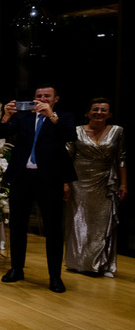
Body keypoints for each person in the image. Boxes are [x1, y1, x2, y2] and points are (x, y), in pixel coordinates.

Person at [0, 85, 78, 293]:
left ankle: (55, 277)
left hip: (49, 179)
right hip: (22, 176)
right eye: (38, 96)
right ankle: (16, 269)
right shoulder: (24, 117)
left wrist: (52, 117)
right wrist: (5, 116)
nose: (42, 99)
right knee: (17, 225)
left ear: (55, 99)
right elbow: (0, 133)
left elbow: (70, 136)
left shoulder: (64, 117)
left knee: (53, 229)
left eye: (46, 96)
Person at [65, 97, 126, 276]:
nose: (99, 112)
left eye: (103, 110)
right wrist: (65, 182)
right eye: (95, 109)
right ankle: (78, 262)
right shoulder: (75, 131)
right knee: (79, 222)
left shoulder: (117, 131)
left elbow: (121, 157)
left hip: (105, 181)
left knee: (102, 223)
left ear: (110, 114)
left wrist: (123, 183)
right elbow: (67, 157)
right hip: (78, 181)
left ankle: (101, 264)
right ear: (87, 113)